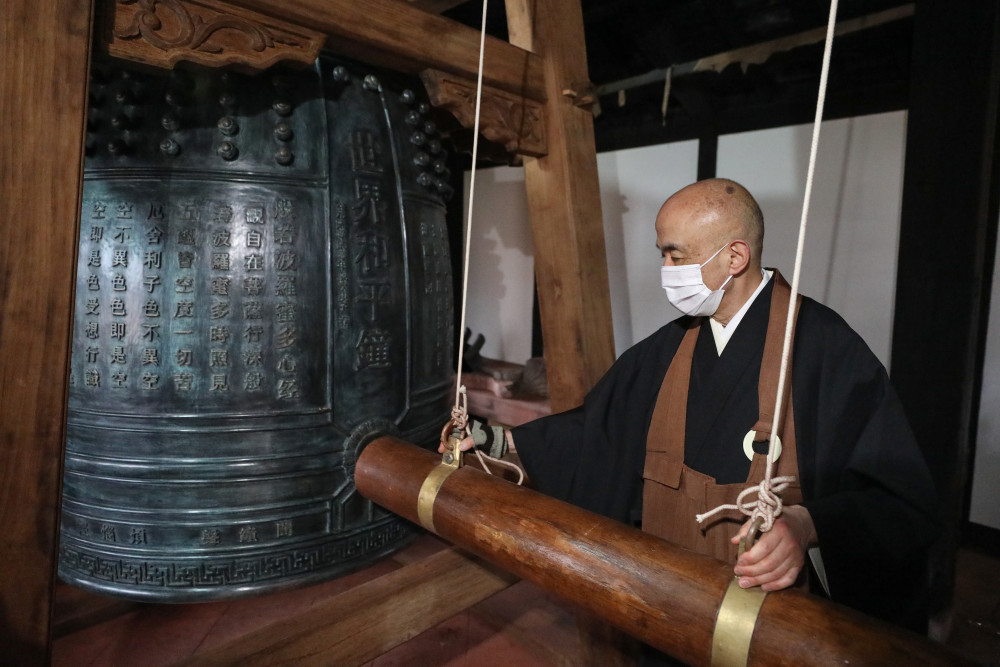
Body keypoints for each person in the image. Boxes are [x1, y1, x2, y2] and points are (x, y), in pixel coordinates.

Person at [443, 178, 938, 637]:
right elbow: (597, 431)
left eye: (675, 255)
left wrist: (806, 525)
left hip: (766, 619)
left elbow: (895, 498)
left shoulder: (824, 348)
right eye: (663, 255)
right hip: (664, 596)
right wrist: (499, 441)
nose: (667, 272)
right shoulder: (670, 347)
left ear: (735, 256)